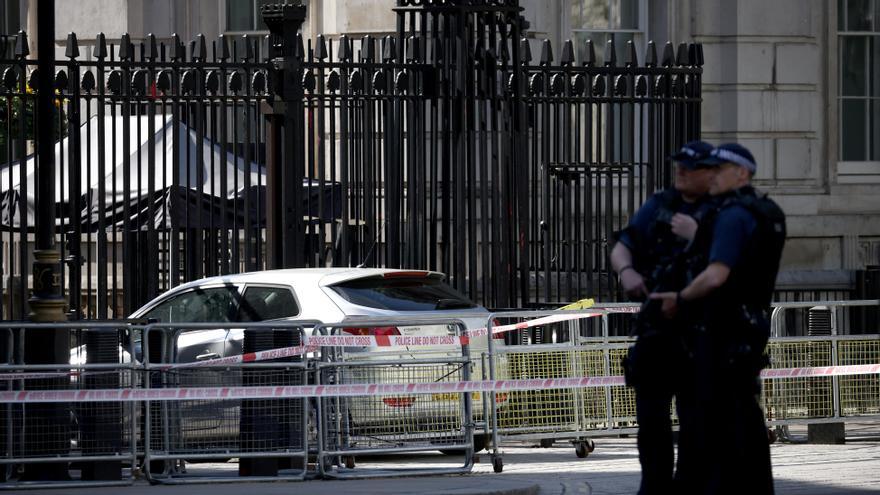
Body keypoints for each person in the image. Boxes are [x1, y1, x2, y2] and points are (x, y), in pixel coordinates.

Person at [651, 143, 786, 495]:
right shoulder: (767, 211)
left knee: (714, 423)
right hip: (751, 326)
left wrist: (679, 297)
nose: (711, 175)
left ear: (741, 174)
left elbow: (716, 275)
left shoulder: (732, 215)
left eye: (719, 169)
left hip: (722, 330)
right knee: (745, 418)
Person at [610, 140, 716, 494]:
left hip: (701, 332)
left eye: (691, 167)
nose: (681, 172)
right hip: (657, 329)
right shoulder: (660, 203)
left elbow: (736, 260)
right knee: (651, 424)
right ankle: (653, 488)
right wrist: (625, 271)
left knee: (697, 426)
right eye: (678, 166)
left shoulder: (723, 209)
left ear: (709, 173)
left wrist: (698, 234)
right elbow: (625, 242)